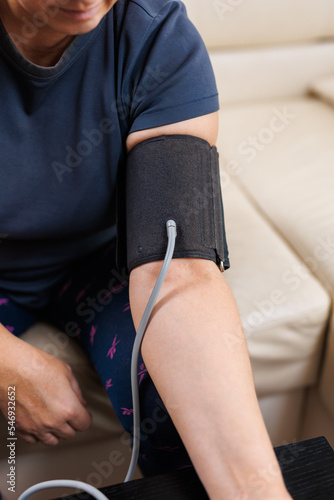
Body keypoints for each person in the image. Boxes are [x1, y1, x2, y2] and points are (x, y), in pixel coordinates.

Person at [0, 1, 292, 498]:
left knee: (175, 406)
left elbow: (178, 268)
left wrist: (255, 491)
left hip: (100, 259)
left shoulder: (153, 33)